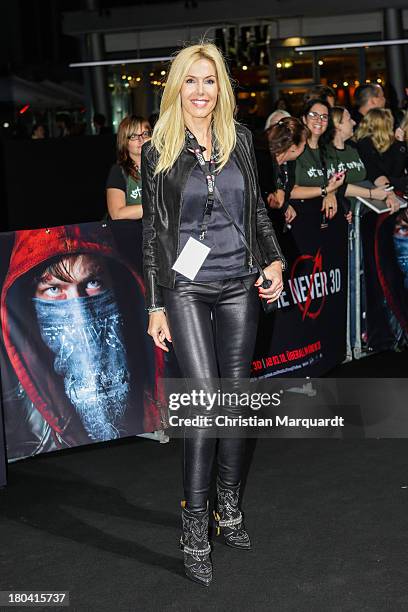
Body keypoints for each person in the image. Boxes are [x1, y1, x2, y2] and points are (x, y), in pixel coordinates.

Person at [141, 42, 285, 586]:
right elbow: (153, 234)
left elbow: (257, 214)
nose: (201, 92)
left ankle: (228, 505)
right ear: (177, 86)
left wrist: (273, 260)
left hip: (239, 283)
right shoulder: (158, 148)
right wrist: (156, 302)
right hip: (185, 286)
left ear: (221, 87)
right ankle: (195, 525)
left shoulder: (242, 141)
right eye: (191, 81)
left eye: (210, 81)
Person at [0, 225, 165, 461]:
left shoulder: (166, 366)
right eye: (54, 289)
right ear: (29, 302)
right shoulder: (19, 417)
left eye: (92, 283)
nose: (80, 314)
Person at [327, 106, 396, 219]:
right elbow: (334, 186)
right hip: (342, 213)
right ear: (337, 125)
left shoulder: (354, 147)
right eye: (349, 120)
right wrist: (371, 193)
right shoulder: (326, 152)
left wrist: (390, 193)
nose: (354, 122)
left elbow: (374, 172)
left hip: (365, 212)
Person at [290, 99, 346, 225]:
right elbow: (291, 191)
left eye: (324, 117)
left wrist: (331, 193)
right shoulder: (295, 149)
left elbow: (335, 181)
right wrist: (325, 190)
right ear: (304, 119)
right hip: (301, 217)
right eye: (313, 115)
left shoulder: (330, 150)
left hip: (327, 217)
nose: (319, 120)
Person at [258, 116, 308, 227]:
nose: (305, 148)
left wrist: (285, 206)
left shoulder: (287, 164)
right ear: (294, 147)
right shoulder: (263, 164)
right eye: (304, 145)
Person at [106, 115, 152, 220]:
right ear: (124, 142)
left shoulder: (162, 166)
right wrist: (156, 208)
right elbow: (117, 213)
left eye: (145, 134)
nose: (141, 139)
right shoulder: (119, 171)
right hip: (132, 232)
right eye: (134, 136)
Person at [354, 108, 408, 196]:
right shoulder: (364, 145)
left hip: (387, 188)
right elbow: (396, 172)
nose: (393, 128)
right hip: (379, 190)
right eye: (391, 125)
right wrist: (400, 144)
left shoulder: (383, 143)